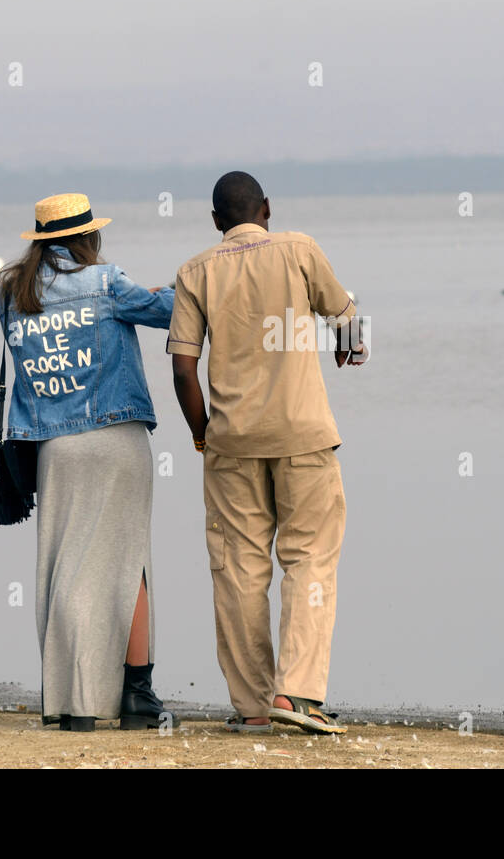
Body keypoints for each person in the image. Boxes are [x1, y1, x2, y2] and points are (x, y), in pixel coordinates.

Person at [168, 171, 366, 735]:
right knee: (309, 559)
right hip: (303, 435)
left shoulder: (194, 271)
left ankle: (253, 706)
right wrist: (351, 347)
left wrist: (203, 433)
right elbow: (346, 316)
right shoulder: (300, 250)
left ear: (215, 221)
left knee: (237, 570)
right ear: (267, 207)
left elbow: (183, 367)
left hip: (231, 442)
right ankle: (296, 693)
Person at [0, 193, 178, 732]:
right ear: (88, 238)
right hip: (115, 438)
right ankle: (136, 696)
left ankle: (74, 701)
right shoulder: (106, 282)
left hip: (55, 447)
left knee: (65, 568)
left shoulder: (14, 294)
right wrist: (161, 290)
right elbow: (173, 312)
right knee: (130, 564)